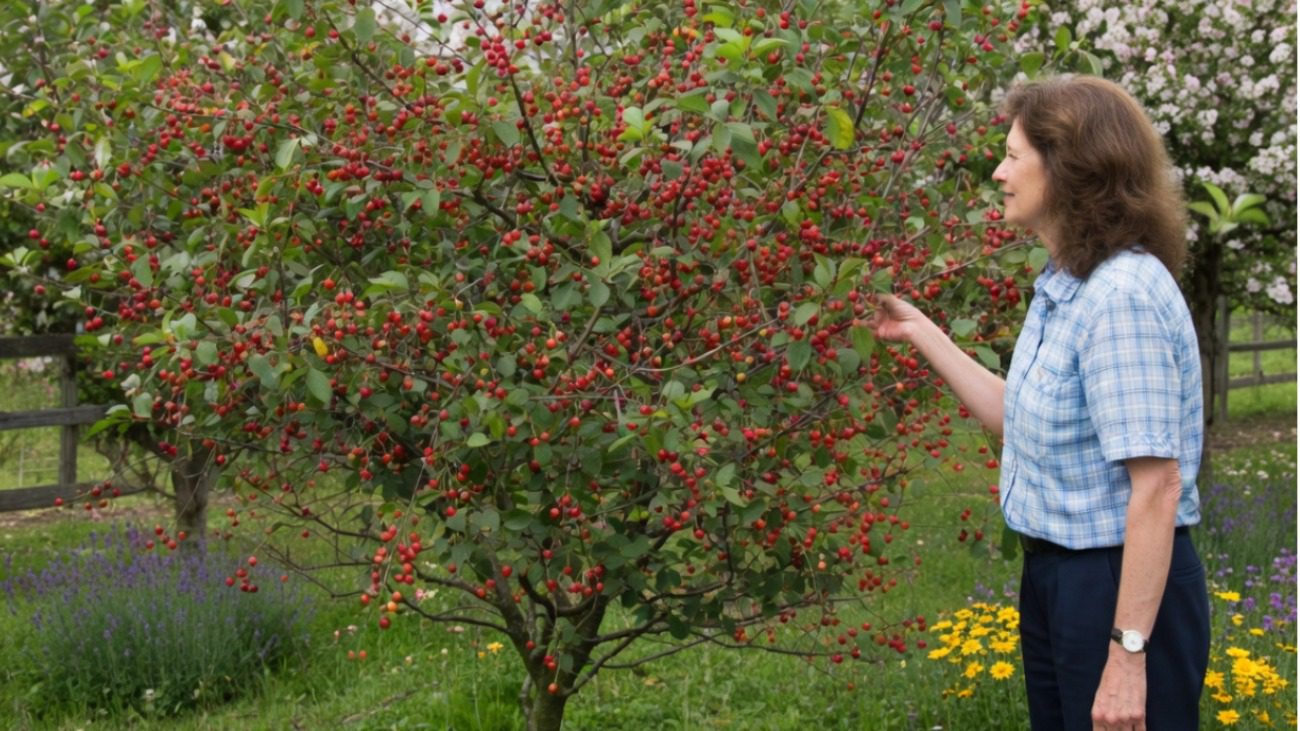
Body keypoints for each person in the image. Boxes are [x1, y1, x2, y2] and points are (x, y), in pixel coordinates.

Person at [870, 75, 1209, 730]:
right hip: (1059, 581)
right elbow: (1019, 416)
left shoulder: (1120, 296)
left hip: (1117, 590)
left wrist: (1128, 653)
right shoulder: (1067, 284)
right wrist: (918, 329)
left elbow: (1157, 487)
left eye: (1013, 155)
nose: (998, 171)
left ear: (1069, 167)